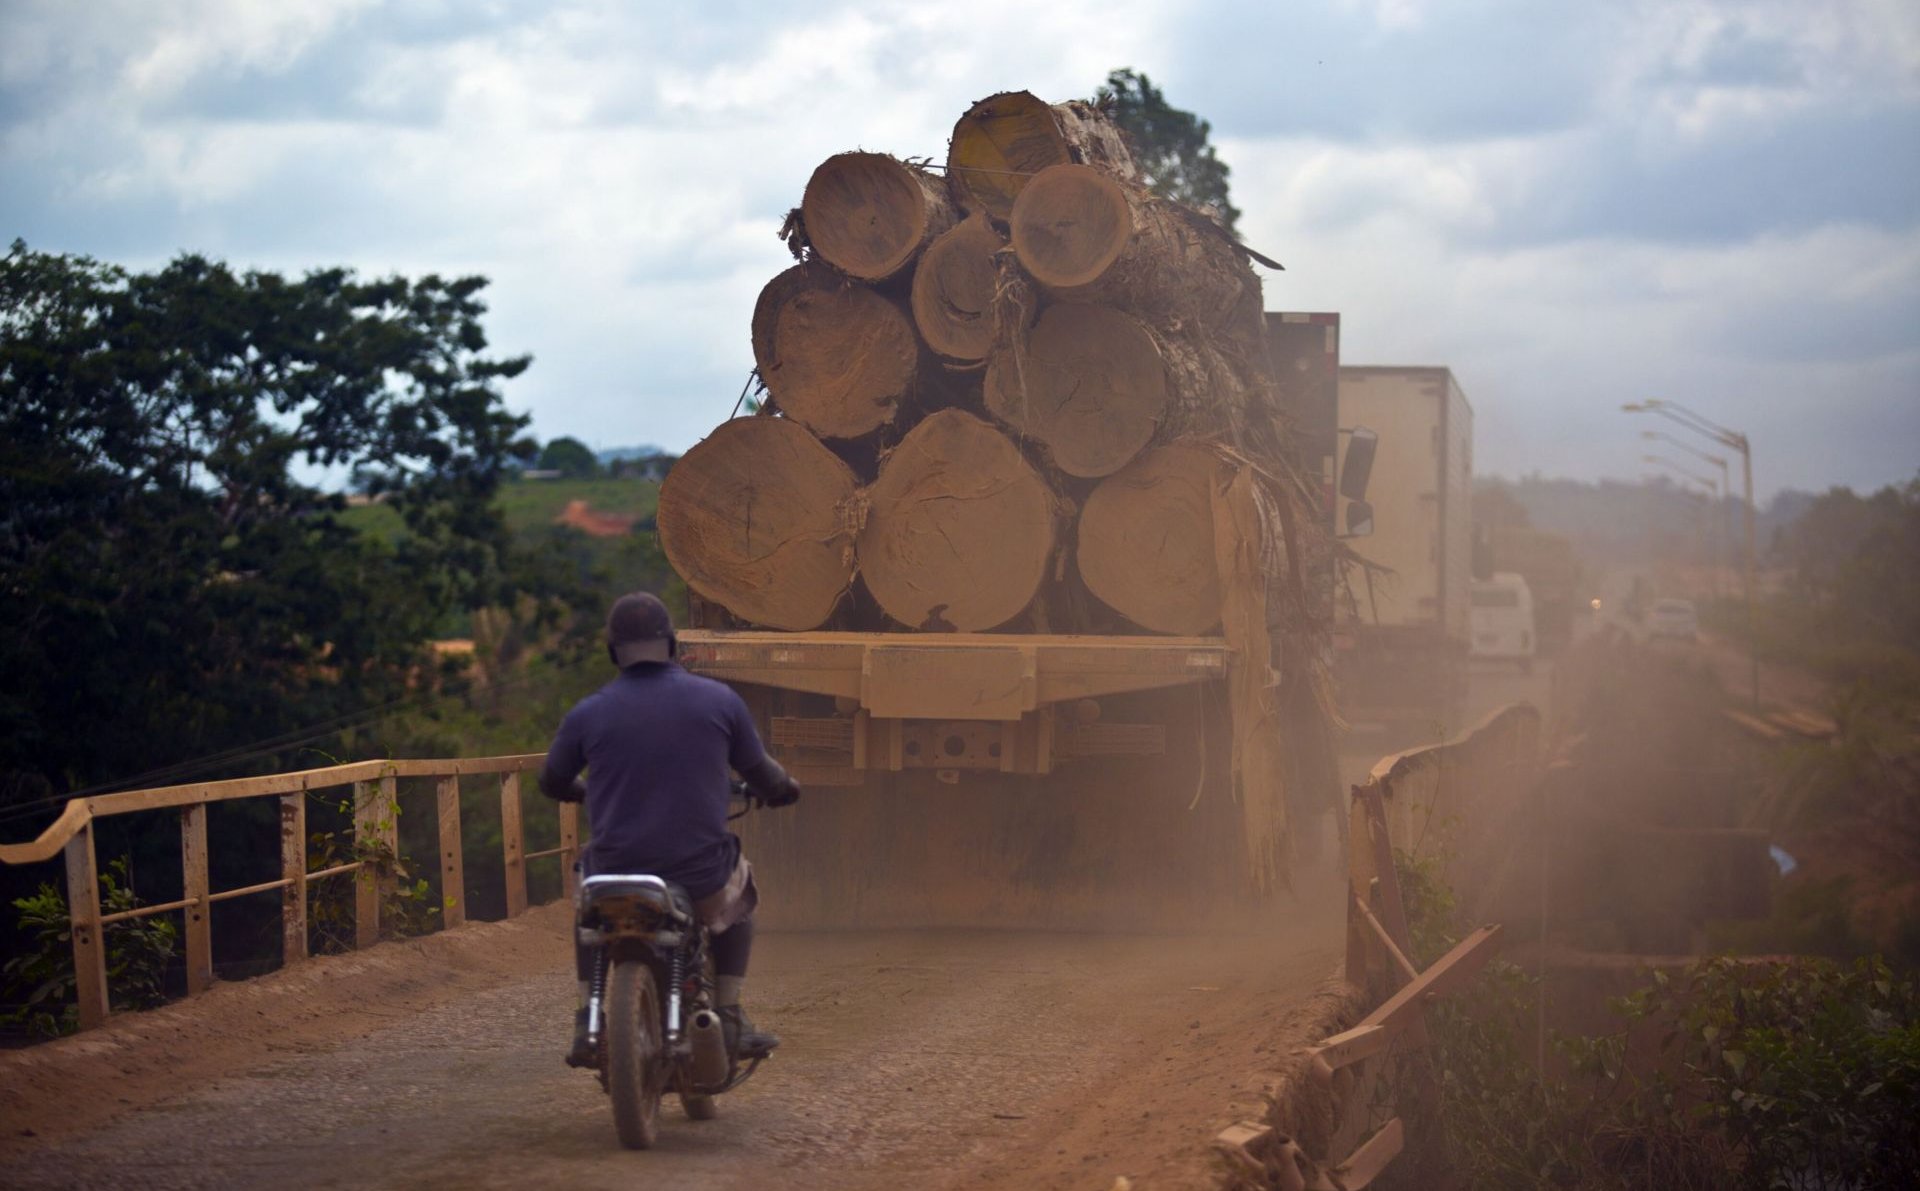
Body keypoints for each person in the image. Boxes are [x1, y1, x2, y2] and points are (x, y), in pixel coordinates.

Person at [539, 591, 800, 1067]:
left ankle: (586, 1017)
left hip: (612, 871)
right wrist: (783, 789)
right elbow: (762, 772)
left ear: (613, 650)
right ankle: (730, 1013)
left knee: (589, 918)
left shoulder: (588, 713)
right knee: (741, 897)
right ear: (673, 645)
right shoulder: (719, 701)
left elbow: (551, 781)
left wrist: (584, 791)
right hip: (698, 873)